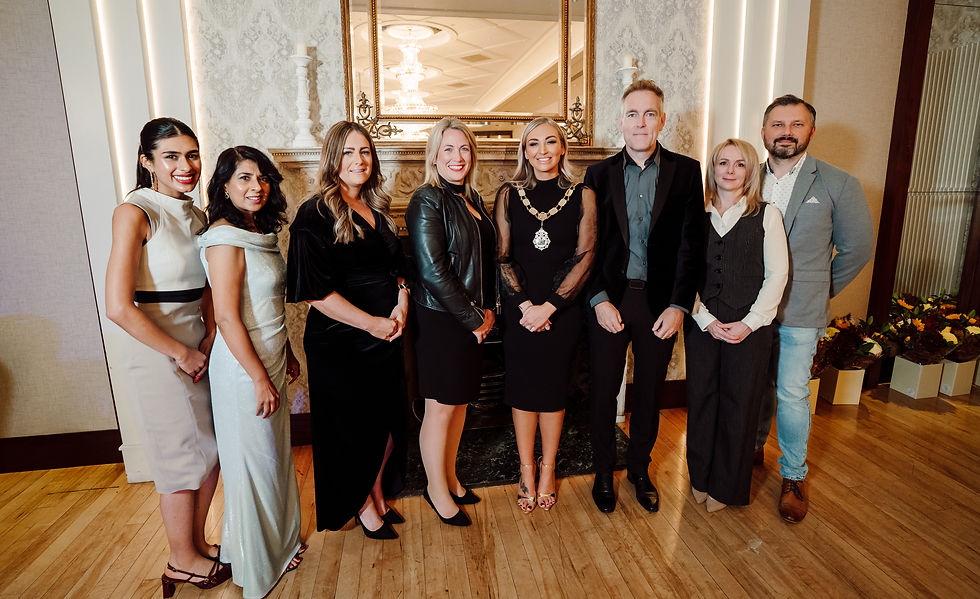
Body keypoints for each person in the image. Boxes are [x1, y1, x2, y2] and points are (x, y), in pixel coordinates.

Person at [104, 117, 231, 597]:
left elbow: (208, 288)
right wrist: (179, 352)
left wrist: (210, 336)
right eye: (172, 156)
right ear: (147, 162)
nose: (186, 166)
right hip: (156, 349)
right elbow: (118, 306)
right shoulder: (134, 212)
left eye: (192, 154)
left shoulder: (196, 215)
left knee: (210, 452)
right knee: (180, 458)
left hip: (196, 345)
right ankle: (181, 559)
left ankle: (195, 544)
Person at [585, 79, 706, 514]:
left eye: (649, 113)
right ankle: (603, 470)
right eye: (632, 114)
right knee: (602, 392)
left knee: (650, 392)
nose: (640, 122)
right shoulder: (597, 175)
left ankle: (639, 468)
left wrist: (678, 306)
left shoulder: (686, 172)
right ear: (620, 121)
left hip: (660, 305)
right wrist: (597, 298)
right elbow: (588, 245)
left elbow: (692, 246)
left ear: (662, 120)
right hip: (610, 301)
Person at [286, 121, 410, 539]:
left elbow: (396, 270)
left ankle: (374, 494)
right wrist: (372, 323)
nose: (358, 161)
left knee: (385, 424)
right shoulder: (315, 212)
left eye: (365, 152)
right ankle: (361, 504)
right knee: (352, 429)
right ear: (332, 159)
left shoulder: (377, 208)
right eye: (348, 152)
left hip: (385, 335)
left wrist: (402, 303)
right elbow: (315, 293)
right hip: (341, 342)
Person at [752, 95, 873, 522]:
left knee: (791, 392)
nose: (786, 131)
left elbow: (858, 248)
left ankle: (793, 475)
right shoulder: (747, 178)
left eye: (796, 125)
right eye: (777, 124)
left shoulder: (838, 184)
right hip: (749, 310)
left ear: (810, 132)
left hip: (801, 311)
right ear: (764, 132)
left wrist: (821, 292)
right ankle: (749, 452)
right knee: (754, 386)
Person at [199, 146, 305, 597]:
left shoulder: (257, 231)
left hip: (272, 354)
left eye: (262, 178)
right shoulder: (224, 238)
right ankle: (257, 562)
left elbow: (267, 305)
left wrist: (287, 352)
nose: (255, 186)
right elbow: (226, 316)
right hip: (243, 368)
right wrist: (259, 376)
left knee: (274, 458)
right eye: (243, 178)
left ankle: (277, 544)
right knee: (253, 463)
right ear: (224, 185)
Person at [494, 117, 596, 513]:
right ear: (525, 151)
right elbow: (502, 256)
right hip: (520, 311)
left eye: (550, 142)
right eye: (533, 144)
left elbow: (586, 256)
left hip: (562, 311)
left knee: (553, 392)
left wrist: (550, 306)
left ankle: (548, 468)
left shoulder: (582, 194)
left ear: (562, 148)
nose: (542, 151)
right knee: (522, 391)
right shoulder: (508, 194)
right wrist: (525, 307)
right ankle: (525, 469)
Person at [685, 138, 788, 513]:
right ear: (712, 169)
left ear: (750, 171)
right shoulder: (695, 214)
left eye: (739, 164)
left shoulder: (767, 216)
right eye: (722, 163)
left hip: (750, 330)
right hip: (702, 326)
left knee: (739, 406)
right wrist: (706, 320)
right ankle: (700, 477)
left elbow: (777, 275)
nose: (729, 170)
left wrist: (750, 323)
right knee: (701, 402)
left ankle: (726, 488)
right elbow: (683, 274)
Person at [406, 117, 496, 526]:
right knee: (440, 408)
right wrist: (473, 319)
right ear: (434, 156)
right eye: (448, 150)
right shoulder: (427, 199)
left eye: (464, 149)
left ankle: (451, 476)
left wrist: (488, 310)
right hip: (443, 318)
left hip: (471, 318)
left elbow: (486, 263)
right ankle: (435, 490)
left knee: (459, 405)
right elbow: (432, 269)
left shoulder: (472, 198)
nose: (457, 157)